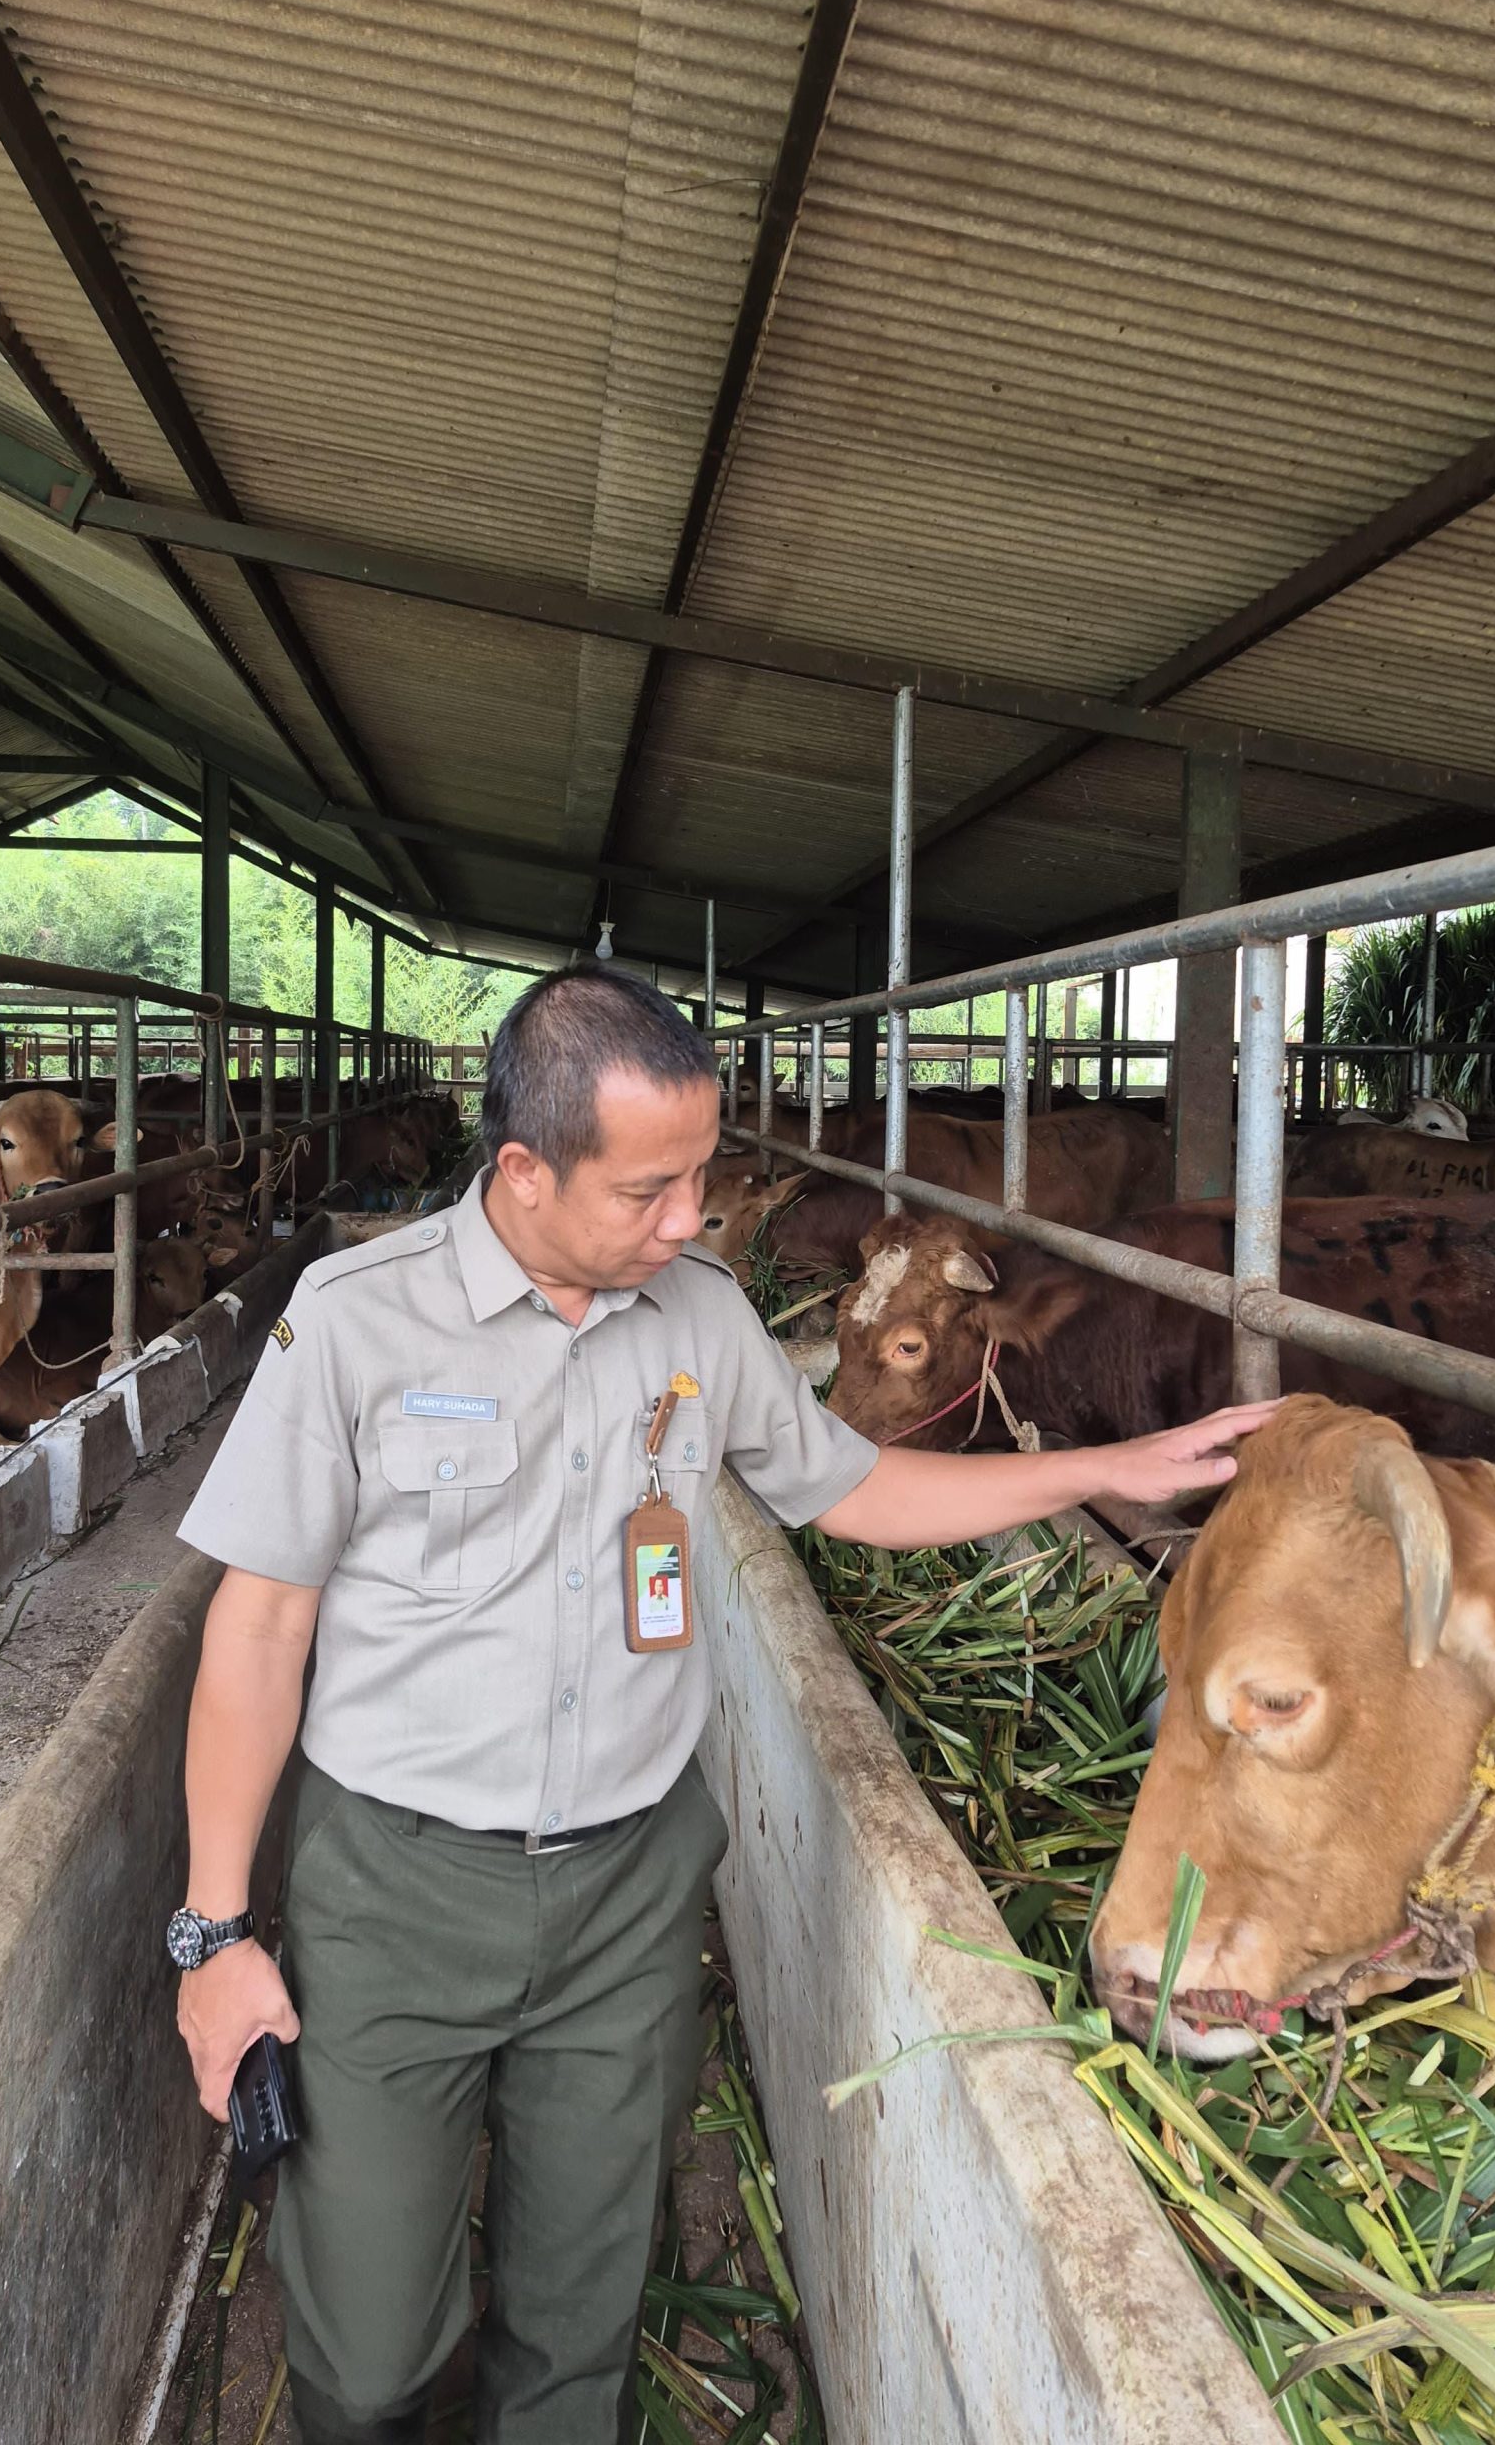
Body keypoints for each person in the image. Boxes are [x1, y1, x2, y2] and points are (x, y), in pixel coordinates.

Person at [170, 968, 1271, 2443]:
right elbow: (258, 1628)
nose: (694, 1217)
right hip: (395, 1891)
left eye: (698, 1174)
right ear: (523, 1172)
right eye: (652, 1188)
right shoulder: (358, 1322)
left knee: (580, 2328)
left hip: (629, 1891)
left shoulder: (698, 1317)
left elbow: (855, 1488)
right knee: (367, 2358)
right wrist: (215, 1934)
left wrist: (1097, 1471)